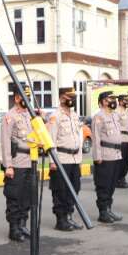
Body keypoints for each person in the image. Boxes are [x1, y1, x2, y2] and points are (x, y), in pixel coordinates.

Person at [0, 88, 34, 242]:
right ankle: (14, 228)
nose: (26, 99)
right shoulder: (10, 116)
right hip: (17, 161)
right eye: (23, 96)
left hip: (30, 161)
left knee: (27, 196)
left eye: (28, 96)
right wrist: (8, 165)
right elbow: (5, 141)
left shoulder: (30, 114)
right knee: (15, 196)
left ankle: (23, 224)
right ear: (16, 98)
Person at [48, 87, 84, 231]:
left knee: (74, 189)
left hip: (74, 159)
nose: (73, 99)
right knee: (60, 190)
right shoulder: (55, 116)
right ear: (62, 98)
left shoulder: (75, 115)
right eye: (70, 97)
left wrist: (80, 159)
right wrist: (52, 161)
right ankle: (61, 219)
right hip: (61, 159)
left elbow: (78, 137)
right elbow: (51, 140)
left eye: (74, 97)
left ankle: (69, 216)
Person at [92, 91, 123, 223]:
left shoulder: (115, 115)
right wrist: (97, 156)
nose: (113, 101)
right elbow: (96, 137)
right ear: (104, 101)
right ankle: (103, 212)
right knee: (104, 185)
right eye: (111, 99)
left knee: (111, 184)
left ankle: (109, 209)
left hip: (116, 155)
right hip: (105, 155)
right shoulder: (99, 117)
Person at [115, 94, 128, 188]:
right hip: (121, 138)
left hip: (127, 138)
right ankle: (118, 179)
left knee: (126, 161)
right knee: (121, 161)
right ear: (120, 101)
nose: (127, 102)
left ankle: (122, 178)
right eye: (125, 100)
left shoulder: (126, 111)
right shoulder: (117, 111)